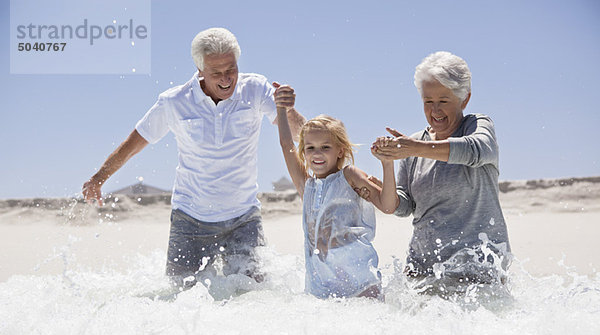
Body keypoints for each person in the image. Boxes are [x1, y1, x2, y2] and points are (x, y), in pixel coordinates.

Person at [82, 28, 305, 295]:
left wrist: (287, 109)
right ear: (199, 70)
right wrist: (99, 178)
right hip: (190, 221)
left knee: (254, 299)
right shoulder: (175, 102)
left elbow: (302, 134)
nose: (226, 79)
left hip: (244, 220)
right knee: (179, 299)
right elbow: (134, 143)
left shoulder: (255, 89)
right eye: (216, 73)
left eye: (231, 69)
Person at [369, 51, 511, 291]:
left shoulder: (477, 126)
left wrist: (413, 148)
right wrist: (387, 164)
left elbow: (476, 150)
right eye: (428, 101)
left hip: (478, 273)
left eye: (443, 101)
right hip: (423, 271)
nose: (435, 110)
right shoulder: (414, 144)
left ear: (464, 99)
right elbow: (404, 207)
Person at [274, 86, 399, 299]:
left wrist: (387, 164)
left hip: (362, 284)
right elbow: (286, 144)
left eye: (325, 147)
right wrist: (280, 108)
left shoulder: (349, 177)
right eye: (310, 148)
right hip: (322, 290)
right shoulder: (307, 187)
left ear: (340, 150)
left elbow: (388, 206)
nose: (317, 154)